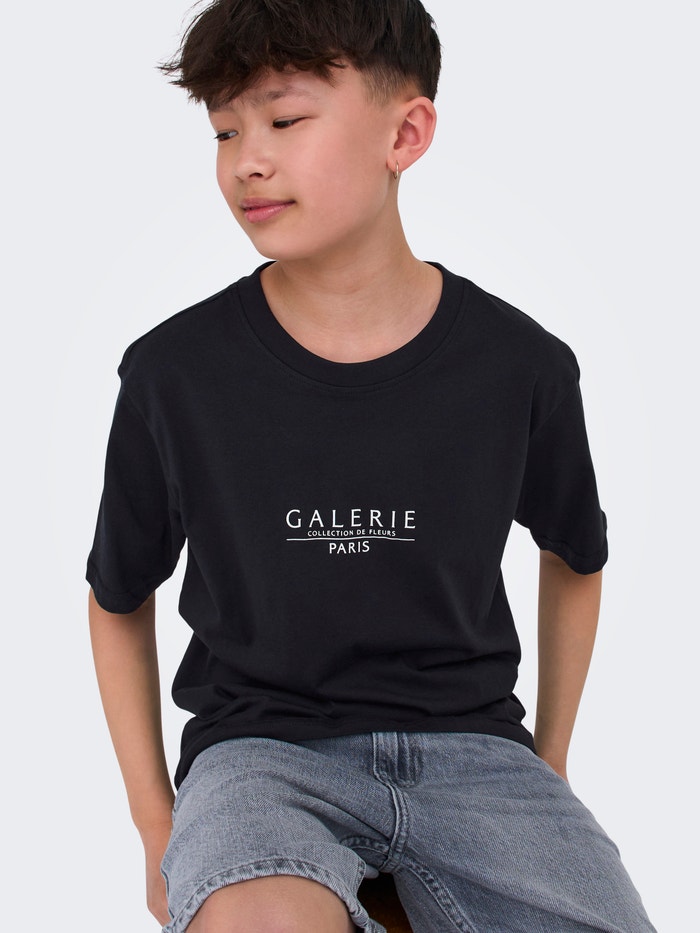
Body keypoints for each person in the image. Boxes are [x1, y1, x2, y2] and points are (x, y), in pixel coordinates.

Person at [86, 1, 655, 930]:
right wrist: (156, 821)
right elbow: (117, 598)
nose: (246, 160)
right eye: (225, 131)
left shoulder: (523, 366)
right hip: (258, 757)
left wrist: (548, 762)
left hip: (477, 756)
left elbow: (576, 558)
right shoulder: (174, 372)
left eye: (284, 119)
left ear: (406, 133)